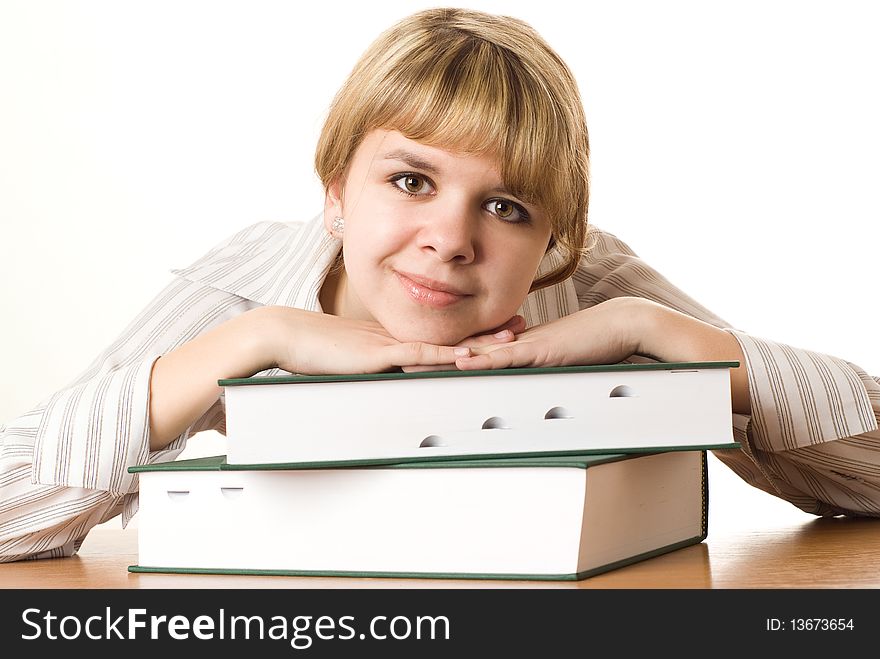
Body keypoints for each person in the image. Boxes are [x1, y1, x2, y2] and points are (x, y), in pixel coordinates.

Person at [1, 6, 878, 563]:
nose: (451, 241)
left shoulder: (592, 286)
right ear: (337, 191)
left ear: (553, 243)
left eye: (505, 205)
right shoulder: (247, 286)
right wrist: (240, 347)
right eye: (411, 181)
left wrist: (689, 349)